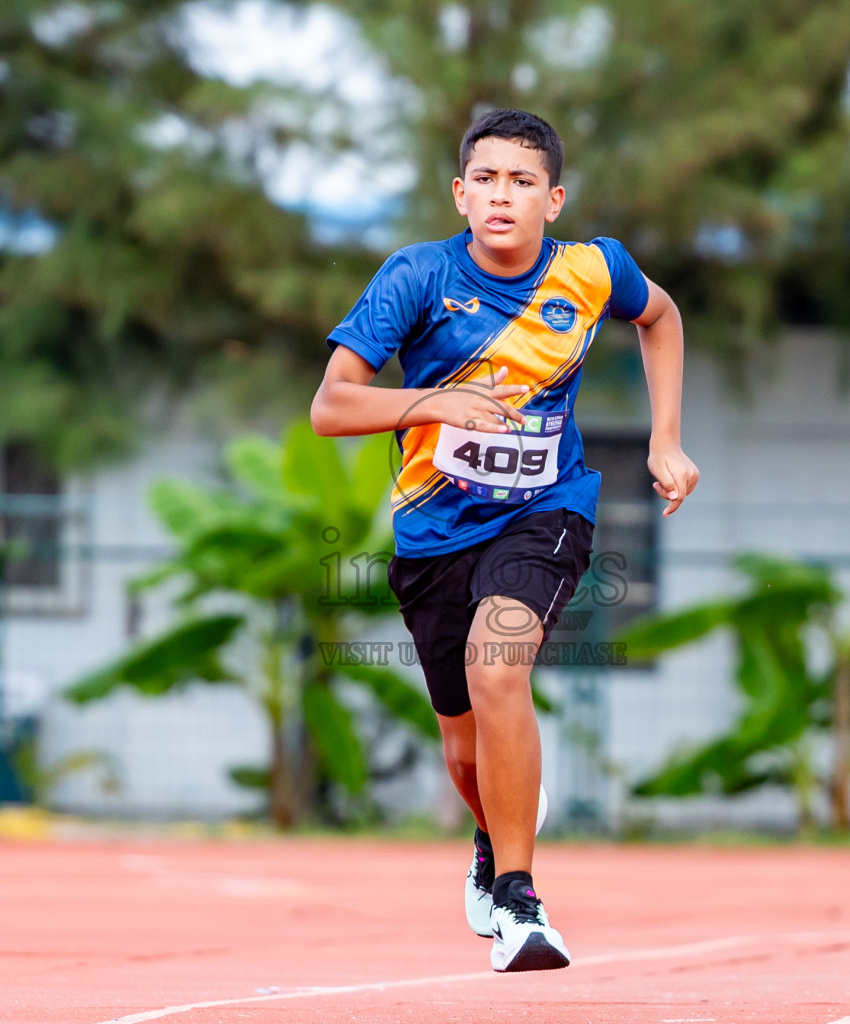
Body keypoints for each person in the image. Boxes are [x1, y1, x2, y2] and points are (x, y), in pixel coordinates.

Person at [311, 108, 698, 972]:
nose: (501, 196)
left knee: (500, 663)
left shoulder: (595, 271)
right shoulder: (415, 277)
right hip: (433, 530)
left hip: (546, 511)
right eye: (485, 179)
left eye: (522, 182)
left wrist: (664, 438)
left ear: (552, 200)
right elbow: (330, 407)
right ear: (460, 192)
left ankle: (522, 902)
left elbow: (661, 318)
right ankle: (495, 836)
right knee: (461, 744)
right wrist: (432, 402)